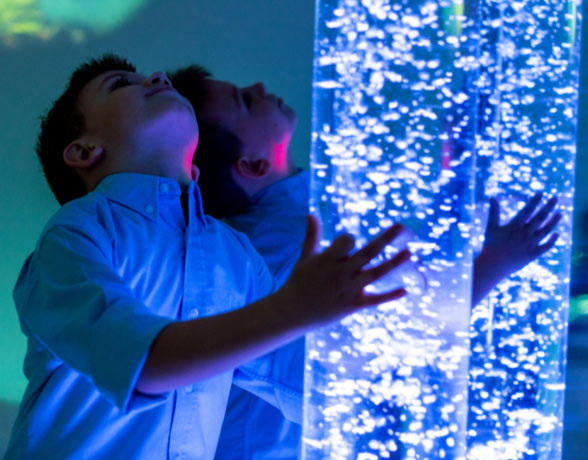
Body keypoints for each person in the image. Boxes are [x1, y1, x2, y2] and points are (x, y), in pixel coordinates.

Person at [3, 54, 413, 460]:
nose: (157, 76)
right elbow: (143, 365)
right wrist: (293, 309)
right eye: (120, 84)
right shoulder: (76, 233)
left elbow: (304, 381)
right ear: (84, 151)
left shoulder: (234, 252)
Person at [169, 65, 562, 460]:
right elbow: (380, 349)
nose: (257, 83)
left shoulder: (292, 220)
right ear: (252, 165)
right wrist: (493, 264)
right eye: (245, 100)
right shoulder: (278, 244)